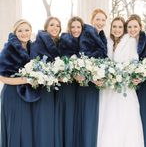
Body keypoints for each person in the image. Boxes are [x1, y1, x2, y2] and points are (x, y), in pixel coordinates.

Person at [97, 16, 144, 147]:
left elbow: (135, 61)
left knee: (124, 117)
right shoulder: (107, 42)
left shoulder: (130, 41)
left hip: (125, 87)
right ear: (111, 28)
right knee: (109, 118)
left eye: (120, 27)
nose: (117, 30)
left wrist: (125, 75)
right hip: (108, 87)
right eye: (114, 27)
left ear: (123, 29)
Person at [76, 8, 108, 147]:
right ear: (92, 20)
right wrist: (92, 76)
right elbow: (85, 57)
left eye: (103, 20)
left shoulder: (101, 35)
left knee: (94, 116)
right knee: (88, 116)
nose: (100, 22)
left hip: (96, 82)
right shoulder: (87, 34)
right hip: (87, 82)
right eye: (98, 19)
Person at [124, 14, 146, 147]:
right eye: (130, 27)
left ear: (140, 27)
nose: (132, 29)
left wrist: (143, 75)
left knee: (145, 115)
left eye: (135, 26)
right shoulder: (125, 41)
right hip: (130, 85)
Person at [0, 19, 33, 147]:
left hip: (27, 95)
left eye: (26, 30)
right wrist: (25, 80)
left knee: (25, 130)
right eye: (20, 30)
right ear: (15, 32)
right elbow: (2, 77)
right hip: (12, 94)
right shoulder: (8, 49)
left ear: (31, 31)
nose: (24, 33)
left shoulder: (33, 48)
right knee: (14, 128)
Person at [30, 16, 61, 147]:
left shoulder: (59, 43)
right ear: (46, 27)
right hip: (43, 89)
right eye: (52, 25)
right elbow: (35, 64)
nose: (55, 28)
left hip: (57, 89)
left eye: (58, 25)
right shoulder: (38, 43)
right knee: (44, 122)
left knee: (54, 124)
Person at [56, 16, 84, 147]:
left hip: (81, 87)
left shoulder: (85, 43)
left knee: (78, 117)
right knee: (68, 117)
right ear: (68, 28)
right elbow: (61, 65)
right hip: (67, 85)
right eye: (73, 27)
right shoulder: (64, 42)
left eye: (78, 27)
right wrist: (73, 75)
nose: (75, 30)